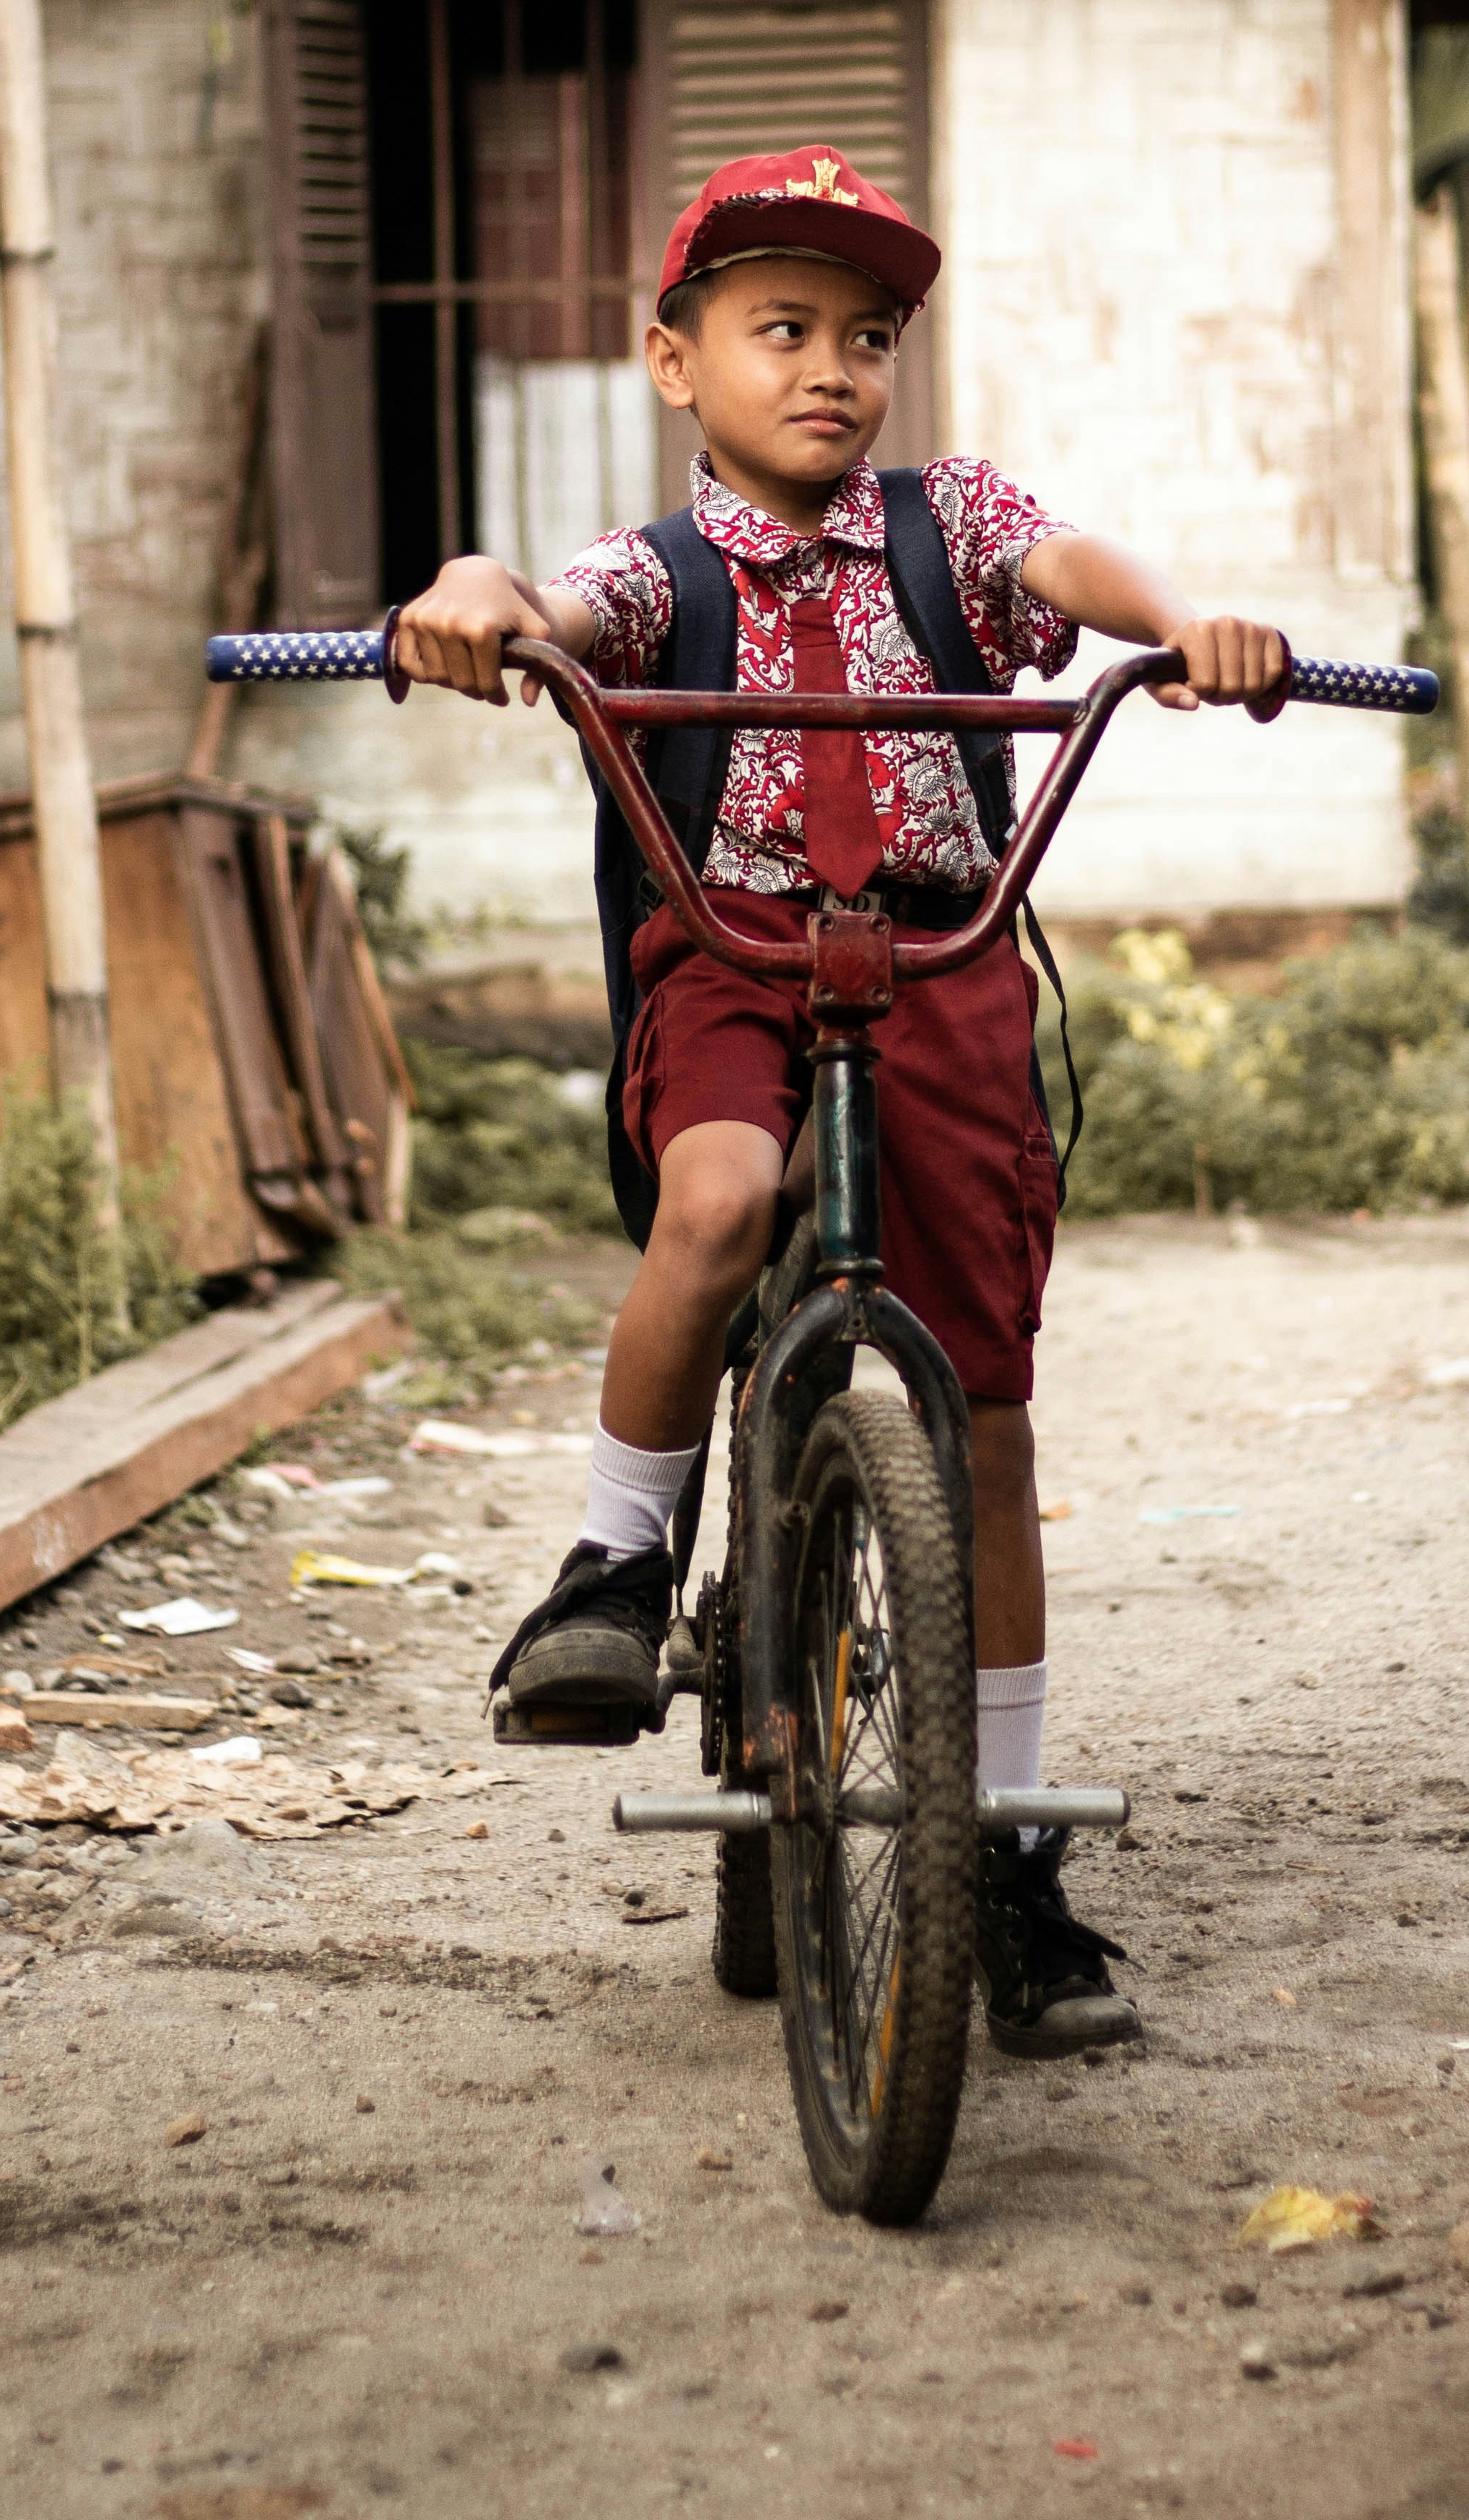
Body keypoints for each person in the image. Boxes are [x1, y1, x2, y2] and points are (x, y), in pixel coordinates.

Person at [393, 144, 1286, 2049]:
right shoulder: (657, 579)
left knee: (985, 1412)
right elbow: (524, 596)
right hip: (728, 961)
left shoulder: (950, 527)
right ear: (673, 361)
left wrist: (1182, 623)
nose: (831, 368)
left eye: (868, 337)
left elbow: (1071, 567)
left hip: (940, 962)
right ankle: (616, 1565)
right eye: (780, 328)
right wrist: (463, 609)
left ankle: (1009, 1850)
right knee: (718, 1206)